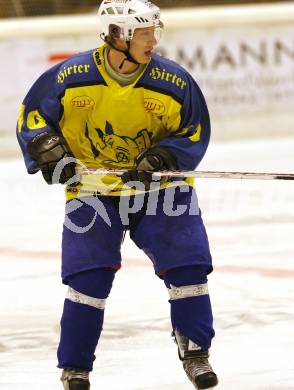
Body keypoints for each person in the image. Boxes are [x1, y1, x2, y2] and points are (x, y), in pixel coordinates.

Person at [16, 1, 218, 389]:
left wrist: (163, 156)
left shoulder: (173, 81)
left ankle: (195, 351)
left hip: (159, 187)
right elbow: (33, 118)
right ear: (116, 36)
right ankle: (75, 366)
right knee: (87, 276)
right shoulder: (69, 76)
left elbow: (193, 130)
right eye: (143, 34)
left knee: (188, 264)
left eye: (153, 33)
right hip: (93, 189)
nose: (152, 41)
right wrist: (45, 147)